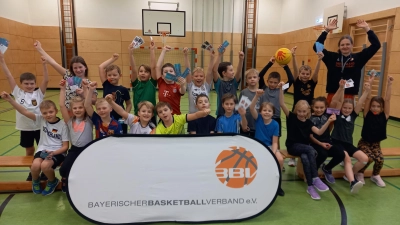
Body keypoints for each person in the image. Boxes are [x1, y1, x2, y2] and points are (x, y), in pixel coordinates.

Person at [1, 92, 69, 196]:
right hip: (43, 150)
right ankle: (35, 181)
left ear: (56, 111)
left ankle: (52, 181)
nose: (48, 115)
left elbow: (65, 146)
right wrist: (10, 100)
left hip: (57, 152)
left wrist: (53, 153)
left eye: (50, 112)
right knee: (35, 166)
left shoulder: (63, 125)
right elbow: (24, 111)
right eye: (45, 113)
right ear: (41, 114)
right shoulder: (41, 120)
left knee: (45, 166)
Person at [279, 82, 336, 200]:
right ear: (296, 110)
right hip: (293, 146)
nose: (301, 114)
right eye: (299, 111)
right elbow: (281, 103)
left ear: (307, 112)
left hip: (304, 148)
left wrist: (329, 121)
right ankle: (315, 178)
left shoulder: (309, 122)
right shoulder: (292, 117)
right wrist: (280, 89)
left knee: (305, 158)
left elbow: (319, 132)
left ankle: (310, 186)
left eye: (304, 112)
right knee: (310, 149)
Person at [0, 51, 49, 181]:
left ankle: (44, 170)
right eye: (26, 84)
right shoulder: (17, 93)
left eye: (32, 83)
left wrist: (44, 65)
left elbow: (46, 80)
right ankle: (32, 172)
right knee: (29, 150)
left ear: (35, 84)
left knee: (43, 149)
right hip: (25, 128)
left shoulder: (39, 93)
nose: (29, 86)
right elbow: (9, 76)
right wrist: (2, 61)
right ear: (21, 84)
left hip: (40, 126)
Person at [313, 19, 381, 105]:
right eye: (342, 45)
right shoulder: (332, 57)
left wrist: (367, 28)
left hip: (349, 97)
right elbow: (316, 47)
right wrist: (326, 30)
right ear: (339, 46)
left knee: (347, 118)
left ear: (352, 45)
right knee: (331, 118)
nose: (345, 46)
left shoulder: (359, 58)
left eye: (348, 44)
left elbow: (376, 45)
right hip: (333, 95)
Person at [330, 79, 370, 191]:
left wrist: (366, 91)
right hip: (336, 142)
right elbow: (336, 101)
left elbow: (361, 102)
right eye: (345, 108)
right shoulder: (337, 114)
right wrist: (341, 88)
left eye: (349, 108)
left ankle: (349, 174)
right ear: (341, 108)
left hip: (348, 144)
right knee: (346, 157)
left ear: (352, 109)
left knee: (364, 159)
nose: (347, 110)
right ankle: (352, 182)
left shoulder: (353, 116)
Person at [34, 40, 97, 108]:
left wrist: (83, 94)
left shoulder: (90, 84)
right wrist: (40, 49)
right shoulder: (68, 75)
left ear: (85, 67)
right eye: (75, 68)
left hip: (82, 112)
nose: (78, 70)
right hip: (68, 111)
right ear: (72, 69)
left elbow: (94, 102)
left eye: (80, 67)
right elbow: (53, 62)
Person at [357, 75, 394, 187]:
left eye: (378, 106)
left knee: (380, 159)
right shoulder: (367, 114)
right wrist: (370, 83)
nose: (375, 108)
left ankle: (375, 175)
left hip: (376, 144)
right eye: (373, 106)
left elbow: (387, 99)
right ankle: (360, 173)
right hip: (364, 142)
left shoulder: (385, 116)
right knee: (369, 158)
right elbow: (368, 99)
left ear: (382, 108)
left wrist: (389, 84)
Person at [58, 80, 93, 193]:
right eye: (75, 108)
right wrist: (62, 89)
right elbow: (62, 105)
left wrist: (85, 88)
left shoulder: (89, 120)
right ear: (72, 110)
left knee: (87, 170)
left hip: (88, 149)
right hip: (74, 150)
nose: (78, 110)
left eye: (80, 107)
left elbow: (88, 103)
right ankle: (65, 179)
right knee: (64, 169)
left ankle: (84, 183)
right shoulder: (69, 121)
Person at [258, 55, 294, 164]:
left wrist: (285, 66)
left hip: (275, 118)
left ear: (278, 82)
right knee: (263, 138)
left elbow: (291, 79)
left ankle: (277, 160)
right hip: (263, 118)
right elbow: (260, 75)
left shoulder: (281, 89)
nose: (273, 84)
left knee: (276, 140)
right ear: (268, 81)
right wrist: (270, 63)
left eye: (275, 82)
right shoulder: (264, 88)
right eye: (271, 82)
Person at [249, 89, 284, 196]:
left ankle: (278, 185)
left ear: (273, 113)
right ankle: (255, 183)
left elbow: (274, 142)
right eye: (264, 110)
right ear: (260, 112)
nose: (266, 112)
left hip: (270, 146)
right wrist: (256, 96)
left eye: (269, 111)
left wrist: (273, 153)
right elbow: (251, 107)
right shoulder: (258, 118)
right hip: (258, 146)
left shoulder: (275, 124)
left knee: (280, 159)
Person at [309, 95, 345, 185]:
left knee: (341, 153)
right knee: (323, 154)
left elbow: (338, 101)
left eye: (322, 107)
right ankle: (314, 174)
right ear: (312, 107)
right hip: (315, 143)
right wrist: (321, 144)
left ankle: (327, 168)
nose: (319, 110)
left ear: (326, 107)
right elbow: (310, 136)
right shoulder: (309, 117)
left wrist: (341, 88)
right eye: (316, 107)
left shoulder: (328, 113)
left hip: (327, 142)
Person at [98, 53, 132, 134]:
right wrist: (113, 59)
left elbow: (129, 104)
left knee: (122, 136)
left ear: (120, 75)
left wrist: (125, 115)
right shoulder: (106, 84)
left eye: (114, 75)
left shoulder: (124, 89)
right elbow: (101, 67)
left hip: (120, 118)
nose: (112, 77)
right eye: (109, 75)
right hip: (107, 117)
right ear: (106, 76)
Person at [129, 39, 157, 124]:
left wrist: (152, 50)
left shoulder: (152, 83)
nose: (143, 73)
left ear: (150, 74)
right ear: (138, 73)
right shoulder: (136, 84)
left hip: (151, 115)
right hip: (138, 116)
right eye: (141, 71)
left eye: (146, 71)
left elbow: (153, 67)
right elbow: (133, 70)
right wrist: (131, 53)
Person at [213, 45, 244, 117]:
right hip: (221, 114)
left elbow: (239, 71)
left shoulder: (234, 83)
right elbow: (214, 70)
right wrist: (219, 55)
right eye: (231, 70)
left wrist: (241, 60)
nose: (233, 72)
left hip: (234, 114)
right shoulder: (219, 84)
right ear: (224, 73)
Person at [155, 45, 188, 116]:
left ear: (175, 73)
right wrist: (163, 51)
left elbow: (183, 91)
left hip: (176, 116)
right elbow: (158, 67)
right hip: (163, 116)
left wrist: (182, 84)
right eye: (166, 72)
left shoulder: (177, 86)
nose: (169, 73)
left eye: (171, 71)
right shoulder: (161, 82)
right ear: (163, 76)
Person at [239, 69, 260, 137]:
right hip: (246, 124)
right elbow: (241, 109)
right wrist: (242, 123)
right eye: (250, 78)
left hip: (258, 125)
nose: (252, 79)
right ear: (246, 80)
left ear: (258, 79)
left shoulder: (261, 93)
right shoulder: (244, 92)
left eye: (254, 77)